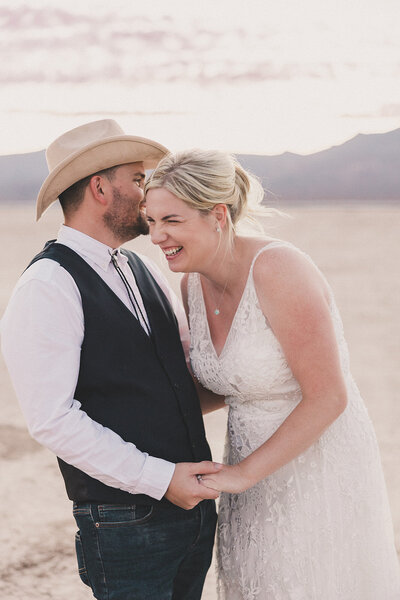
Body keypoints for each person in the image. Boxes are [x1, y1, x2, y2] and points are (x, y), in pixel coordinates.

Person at [144, 148, 400, 600]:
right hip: (246, 471)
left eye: (172, 221)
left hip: (314, 465)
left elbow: (328, 396)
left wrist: (243, 474)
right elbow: (224, 384)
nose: (156, 236)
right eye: (150, 221)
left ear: (217, 214)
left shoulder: (279, 269)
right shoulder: (191, 287)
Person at [0, 121, 223, 600]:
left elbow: (173, 379)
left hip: (191, 511)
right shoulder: (48, 286)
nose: (148, 195)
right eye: (138, 179)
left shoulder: (140, 266)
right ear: (101, 188)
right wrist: (162, 480)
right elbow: (51, 420)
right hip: (125, 522)